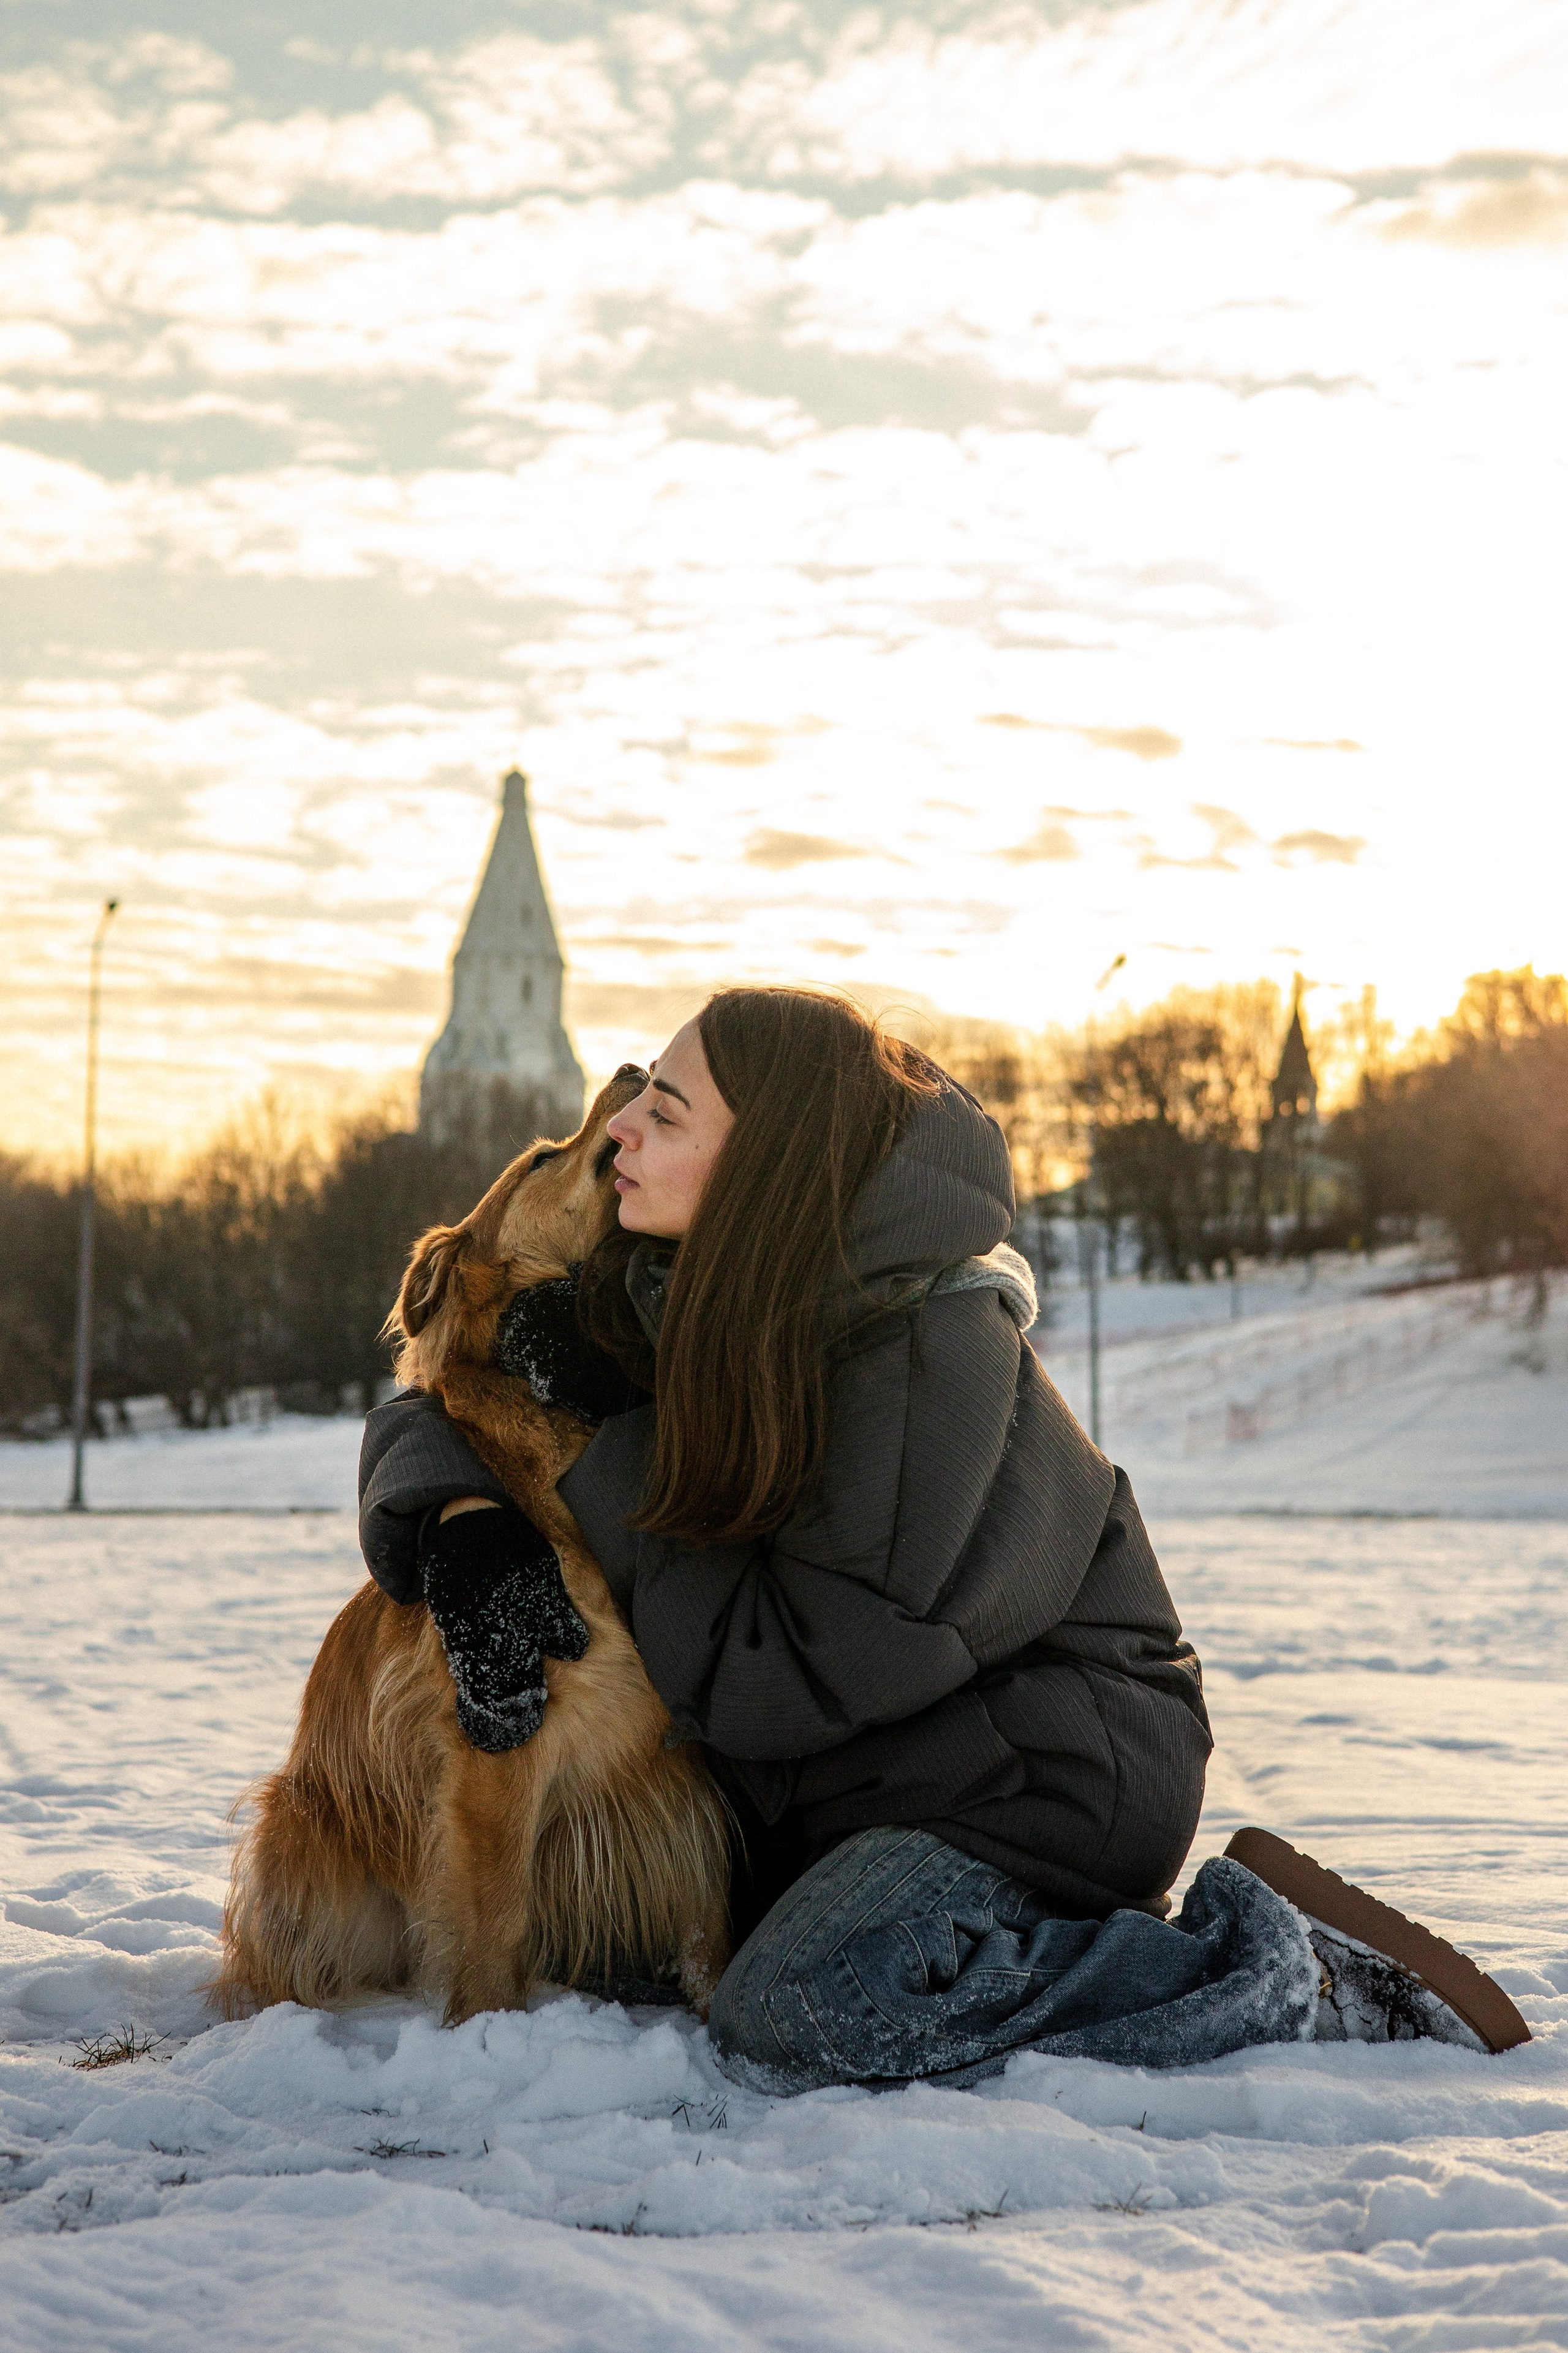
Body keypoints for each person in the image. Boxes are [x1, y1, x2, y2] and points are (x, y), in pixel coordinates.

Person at [360, 988, 1507, 2089]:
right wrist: (459, 1517)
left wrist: (605, 1434)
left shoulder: (918, 1355)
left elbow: (778, 1685)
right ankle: (1015, 1938)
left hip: (1040, 1768)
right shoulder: (697, 1281)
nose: (619, 1125)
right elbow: (445, 1389)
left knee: (800, 2008)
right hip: (874, 1767)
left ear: (763, 1164)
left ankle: (1280, 1970)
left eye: (665, 1111)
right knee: (616, 1955)